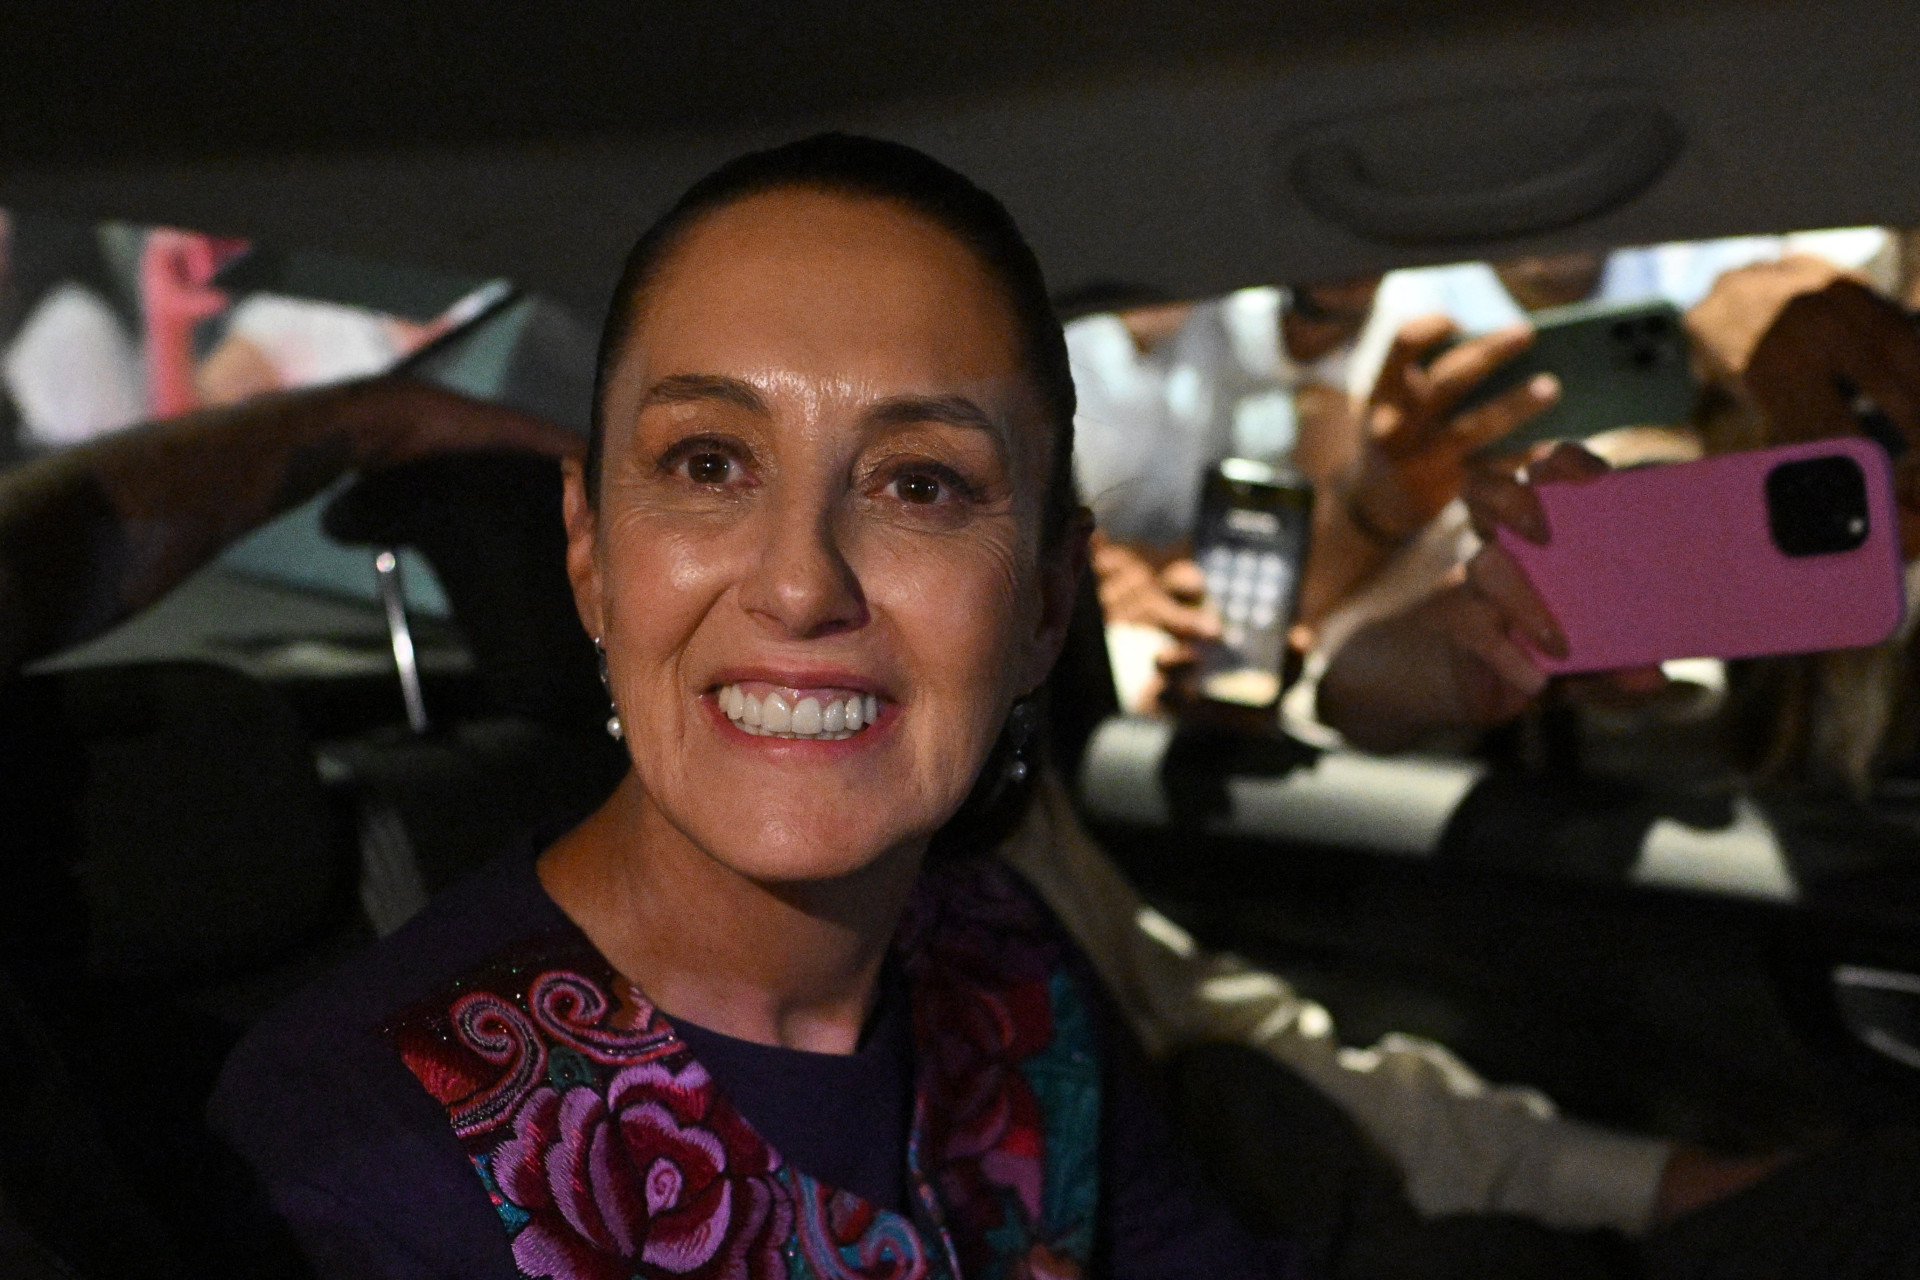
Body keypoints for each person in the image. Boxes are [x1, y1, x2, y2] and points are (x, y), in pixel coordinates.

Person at [208, 134, 1307, 1280]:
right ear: (589, 551)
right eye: (708, 464)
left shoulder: (1011, 970)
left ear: (1043, 603)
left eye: (918, 484)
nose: (799, 583)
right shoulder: (361, 1133)